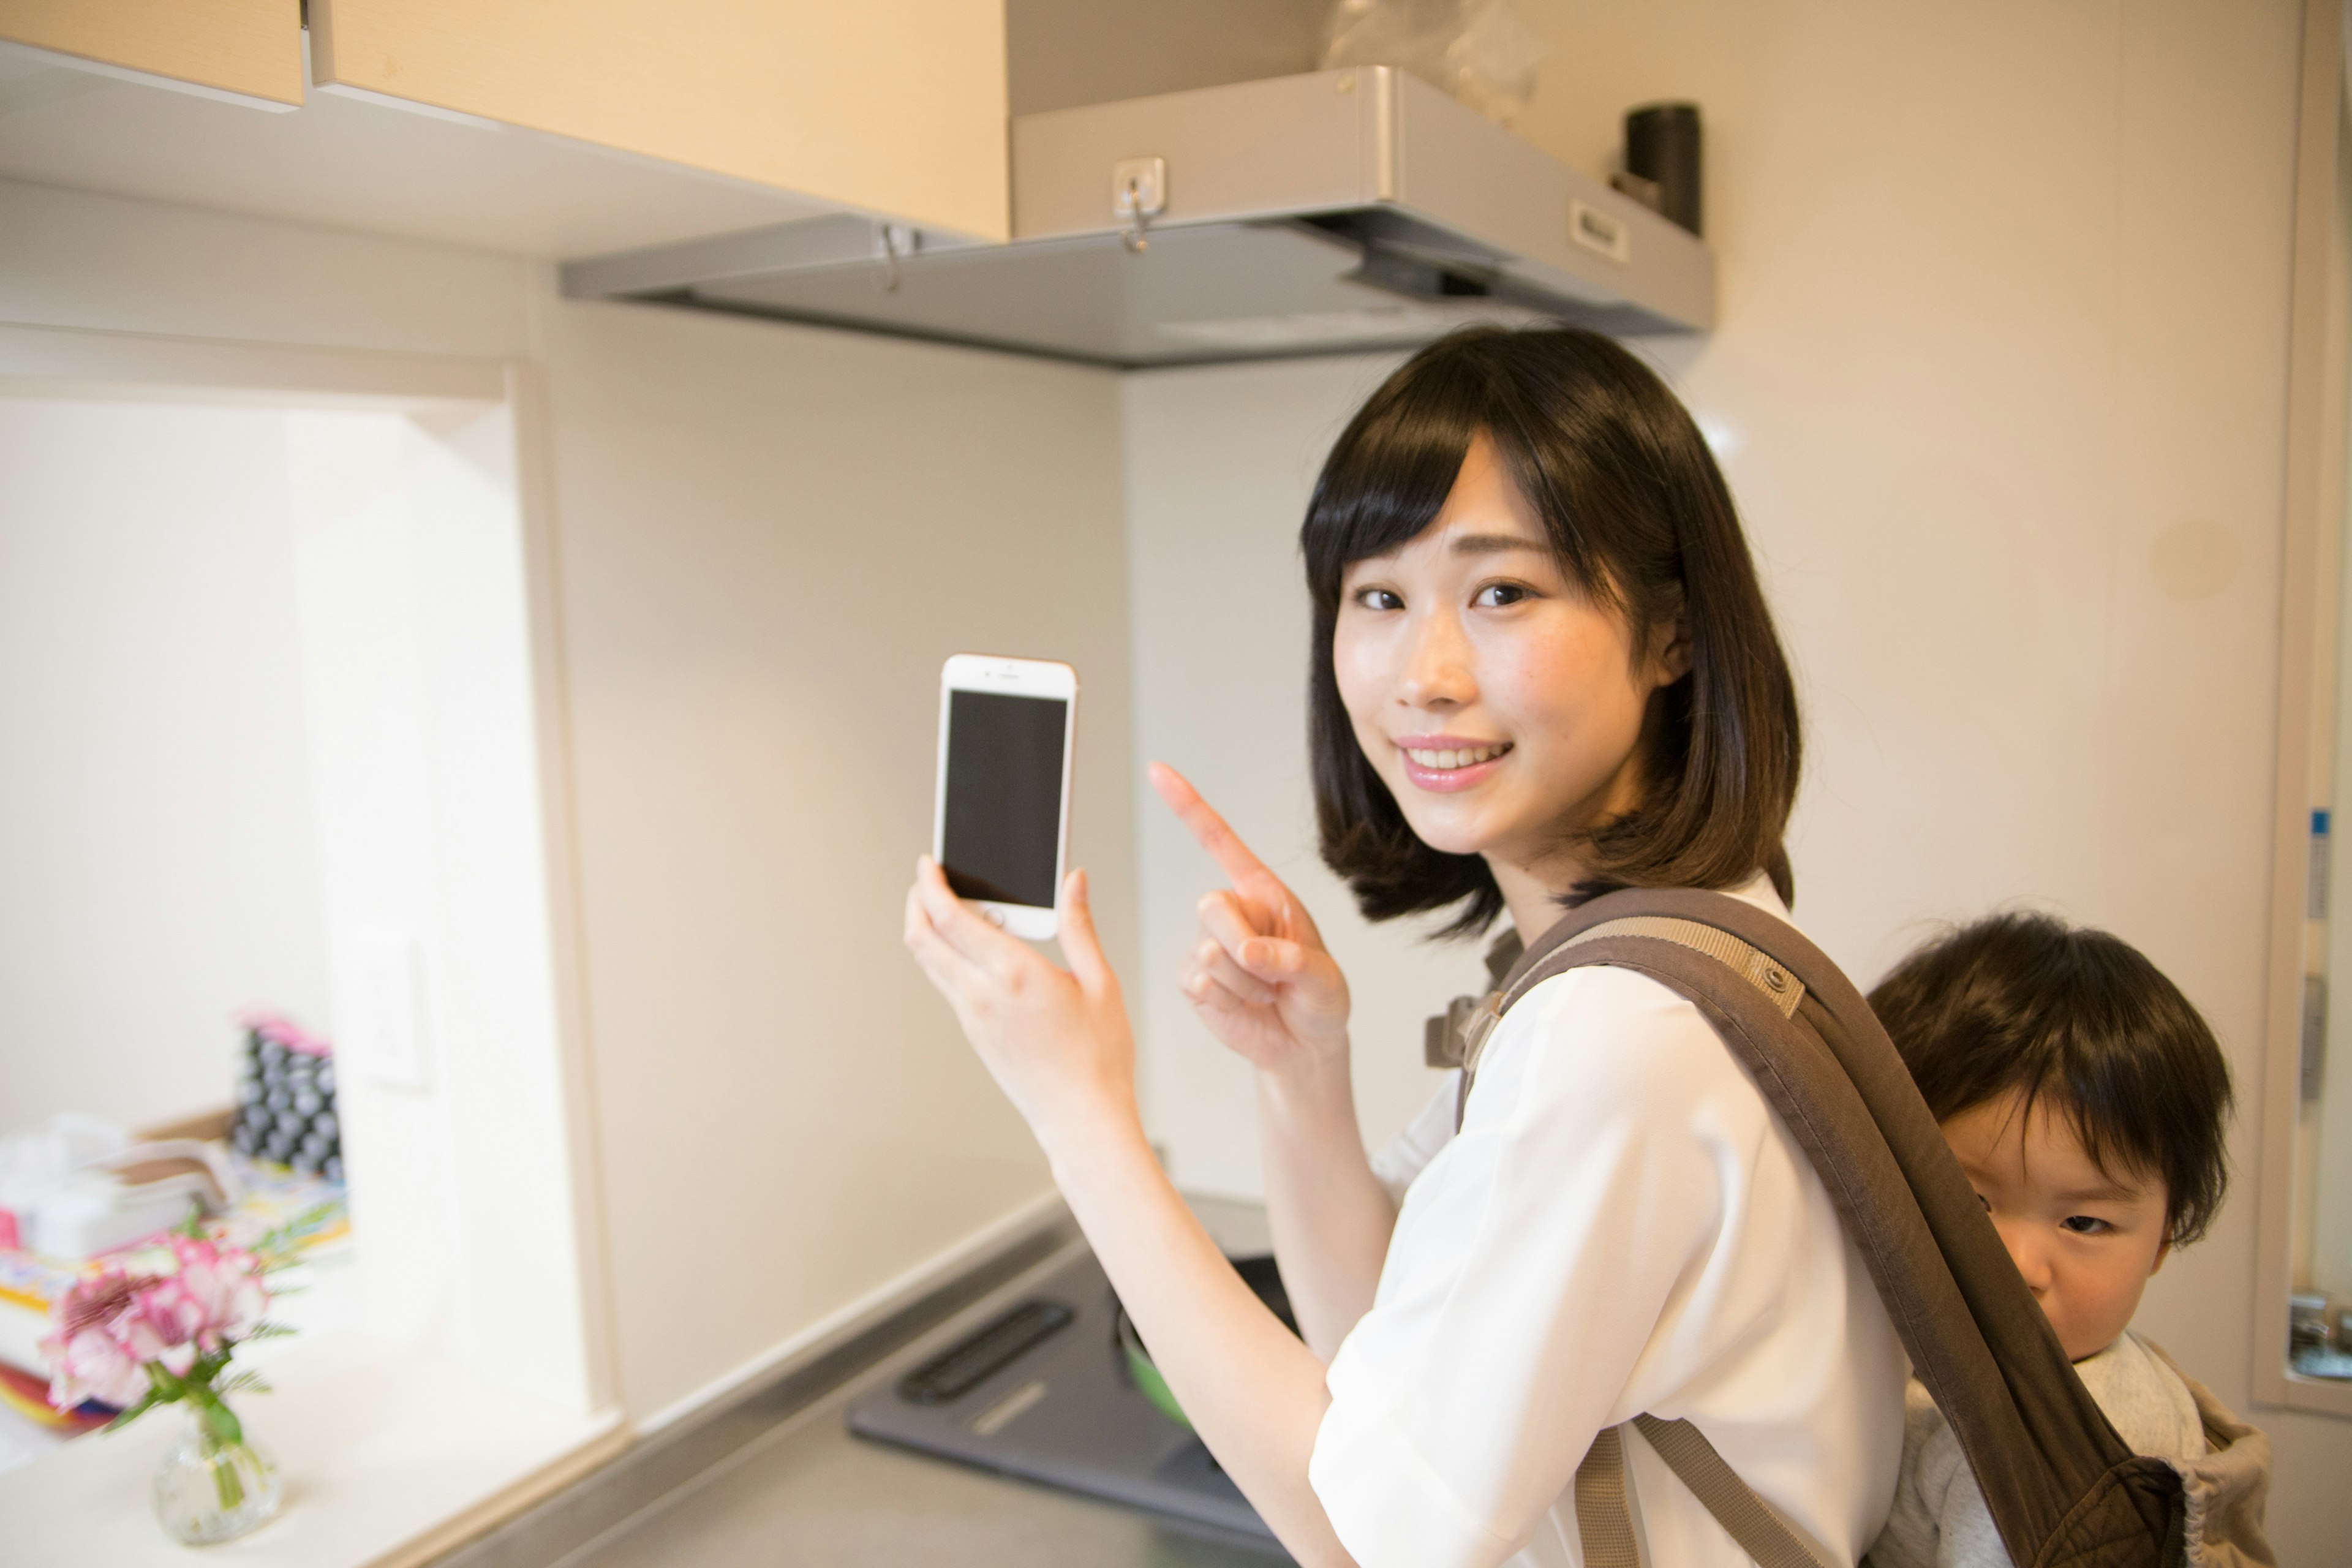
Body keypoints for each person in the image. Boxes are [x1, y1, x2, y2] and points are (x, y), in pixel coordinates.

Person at [903, 326, 1905, 1567]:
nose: (1423, 675)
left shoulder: (1618, 1043)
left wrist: (1076, 1110)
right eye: (1379, 595)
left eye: (1501, 592)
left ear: (1672, 634)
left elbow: (1358, 1537)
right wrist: (1300, 1069)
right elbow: (1378, 1355)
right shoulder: (1686, 936)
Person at [1864, 913, 2269, 1567]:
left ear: (2164, 1240)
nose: (2018, 1267)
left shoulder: (2053, 1450)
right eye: (1969, 1203)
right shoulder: (1937, 1370)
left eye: (2084, 1223)